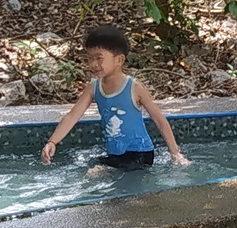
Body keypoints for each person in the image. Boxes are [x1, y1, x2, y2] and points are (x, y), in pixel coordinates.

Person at [39, 26, 190, 174]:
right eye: (90, 58)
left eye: (99, 58)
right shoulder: (93, 88)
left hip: (140, 154)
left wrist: (175, 153)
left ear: (119, 60)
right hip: (115, 154)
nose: (93, 64)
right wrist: (52, 141)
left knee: (97, 173)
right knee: (89, 168)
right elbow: (72, 116)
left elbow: (159, 120)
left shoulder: (134, 87)